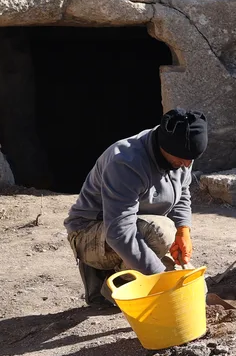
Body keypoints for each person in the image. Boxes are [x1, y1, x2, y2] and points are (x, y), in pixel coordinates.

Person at [64, 109, 208, 306]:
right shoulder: (125, 162)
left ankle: (118, 279)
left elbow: (182, 191)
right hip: (89, 233)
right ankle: (113, 285)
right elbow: (119, 232)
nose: (187, 164)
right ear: (165, 145)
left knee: (189, 280)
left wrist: (183, 230)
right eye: (183, 158)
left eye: (192, 158)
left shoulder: (182, 151)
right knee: (162, 232)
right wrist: (161, 280)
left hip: (138, 227)